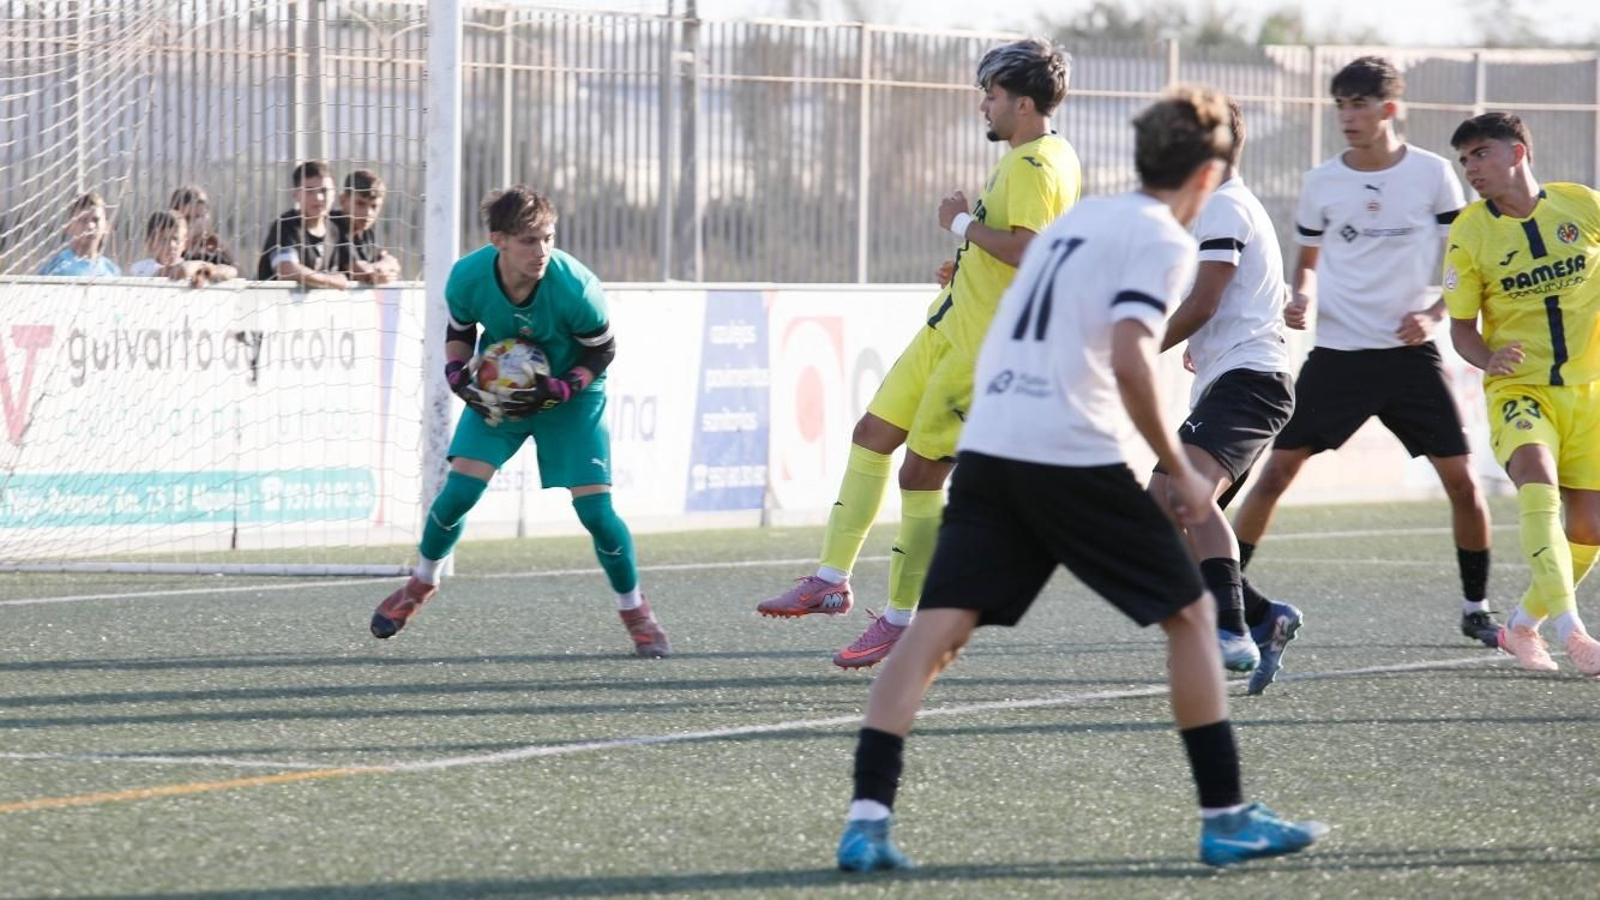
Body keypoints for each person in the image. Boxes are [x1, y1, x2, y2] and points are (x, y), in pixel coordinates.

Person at [834, 87, 1327, 874]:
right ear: (1209, 173)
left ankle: (866, 820)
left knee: (934, 634)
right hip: (1069, 451)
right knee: (1194, 621)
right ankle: (1226, 816)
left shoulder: (1082, 223)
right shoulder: (1161, 238)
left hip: (994, 445)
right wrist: (1180, 470)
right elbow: (1132, 355)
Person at [755, 37, 1082, 669]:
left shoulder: (1038, 164)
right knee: (872, 433)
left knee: (921, 475)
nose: (983, 104)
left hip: (980, 350)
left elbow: (1030, 249)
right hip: (947, 328)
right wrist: (964, 264)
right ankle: (830, 579)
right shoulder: (1029, 157)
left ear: (1021, 102)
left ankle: (906, 619)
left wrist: (960, 224)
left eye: (990, 94)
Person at [1230, 56, 1500, 649]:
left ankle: (1476, 606)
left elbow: (1463, 259)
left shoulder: (1433, 175)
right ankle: (1228, 597)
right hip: (1339, 355)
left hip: (1410, 359)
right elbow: (1307, 265)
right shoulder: (1321, 180)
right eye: (1340, 106)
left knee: (1464, 483)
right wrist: (1300, 298)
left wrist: (1433, 313)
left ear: (1389, 109)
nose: (1347, 117)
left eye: (1358, 104)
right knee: (1274, 474)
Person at [368, 186, 669, 658]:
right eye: (529, 240)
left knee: (595, 513)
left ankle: (636, 612)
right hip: (503, 397)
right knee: (458, 494)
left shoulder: (576, 286)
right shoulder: (467, 278)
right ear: (498, 241)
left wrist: (564, 386)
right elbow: (460, 332)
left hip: (571, 397)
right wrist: (455, 370)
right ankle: (421, 583)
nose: (542, 250)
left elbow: (602, 349)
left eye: (548, 237)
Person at [1146, 100, 1302, 694]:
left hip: (1252, 383)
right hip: (1234, 380)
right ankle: (1264, 617)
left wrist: (1140, 353)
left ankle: (1230, 630)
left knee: (1184, 498)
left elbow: (1206, 300)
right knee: (1160, 507)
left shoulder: (1223, 206)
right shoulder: (1217, 206)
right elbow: (1217, 302)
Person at [1443, 112, 1600, 675]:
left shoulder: (1582, 205)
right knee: (1537, 478)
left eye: (1480, 154)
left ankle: (1521, 625)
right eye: (1464, 160)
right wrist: (1489, 358)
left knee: (1590, 530)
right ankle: (1572, 630)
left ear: (1517, 153)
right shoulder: (1469, 230)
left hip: (1588, 393)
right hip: (1520, 389)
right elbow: (1461, 327)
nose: (1471, 169)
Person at [256, 160, 349, 288]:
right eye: (309, 191)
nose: (319, 198)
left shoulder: (334, 230)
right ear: (296, 195)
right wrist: (330, 280)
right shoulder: (286, 225)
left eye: (324, 191)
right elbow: (286, 269)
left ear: (334, 195)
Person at [331, 169, 401, 285]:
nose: (368, 213)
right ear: (343, 200)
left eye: (374, 206)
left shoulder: (367, 230)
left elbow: (393, 263)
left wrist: (384, 266)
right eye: (360, 204)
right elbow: (361, 272)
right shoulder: (332, 226)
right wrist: (383, 268)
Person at [128, 210, 222, 286]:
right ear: (150, 243)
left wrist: (204, 273)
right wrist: (202, 266)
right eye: (164, 240)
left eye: (176, 239)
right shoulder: (140, 268)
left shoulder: (189, 265)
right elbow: (180, 271)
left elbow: (232, 271)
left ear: (185, 243)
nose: (171, 245)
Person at [38, 191, 120, 277]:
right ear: (69, 226)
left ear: (106, 227)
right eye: (83, 220)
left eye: (96, 220)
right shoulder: (56, 268)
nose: (90, 226)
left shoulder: (111, 270)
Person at [169, 184, 239, 279]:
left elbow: (240, 278)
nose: (196, 224)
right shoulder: (170, 253)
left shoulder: (216, 252)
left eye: (199, 217)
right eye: (188, 218)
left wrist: (225, 251)